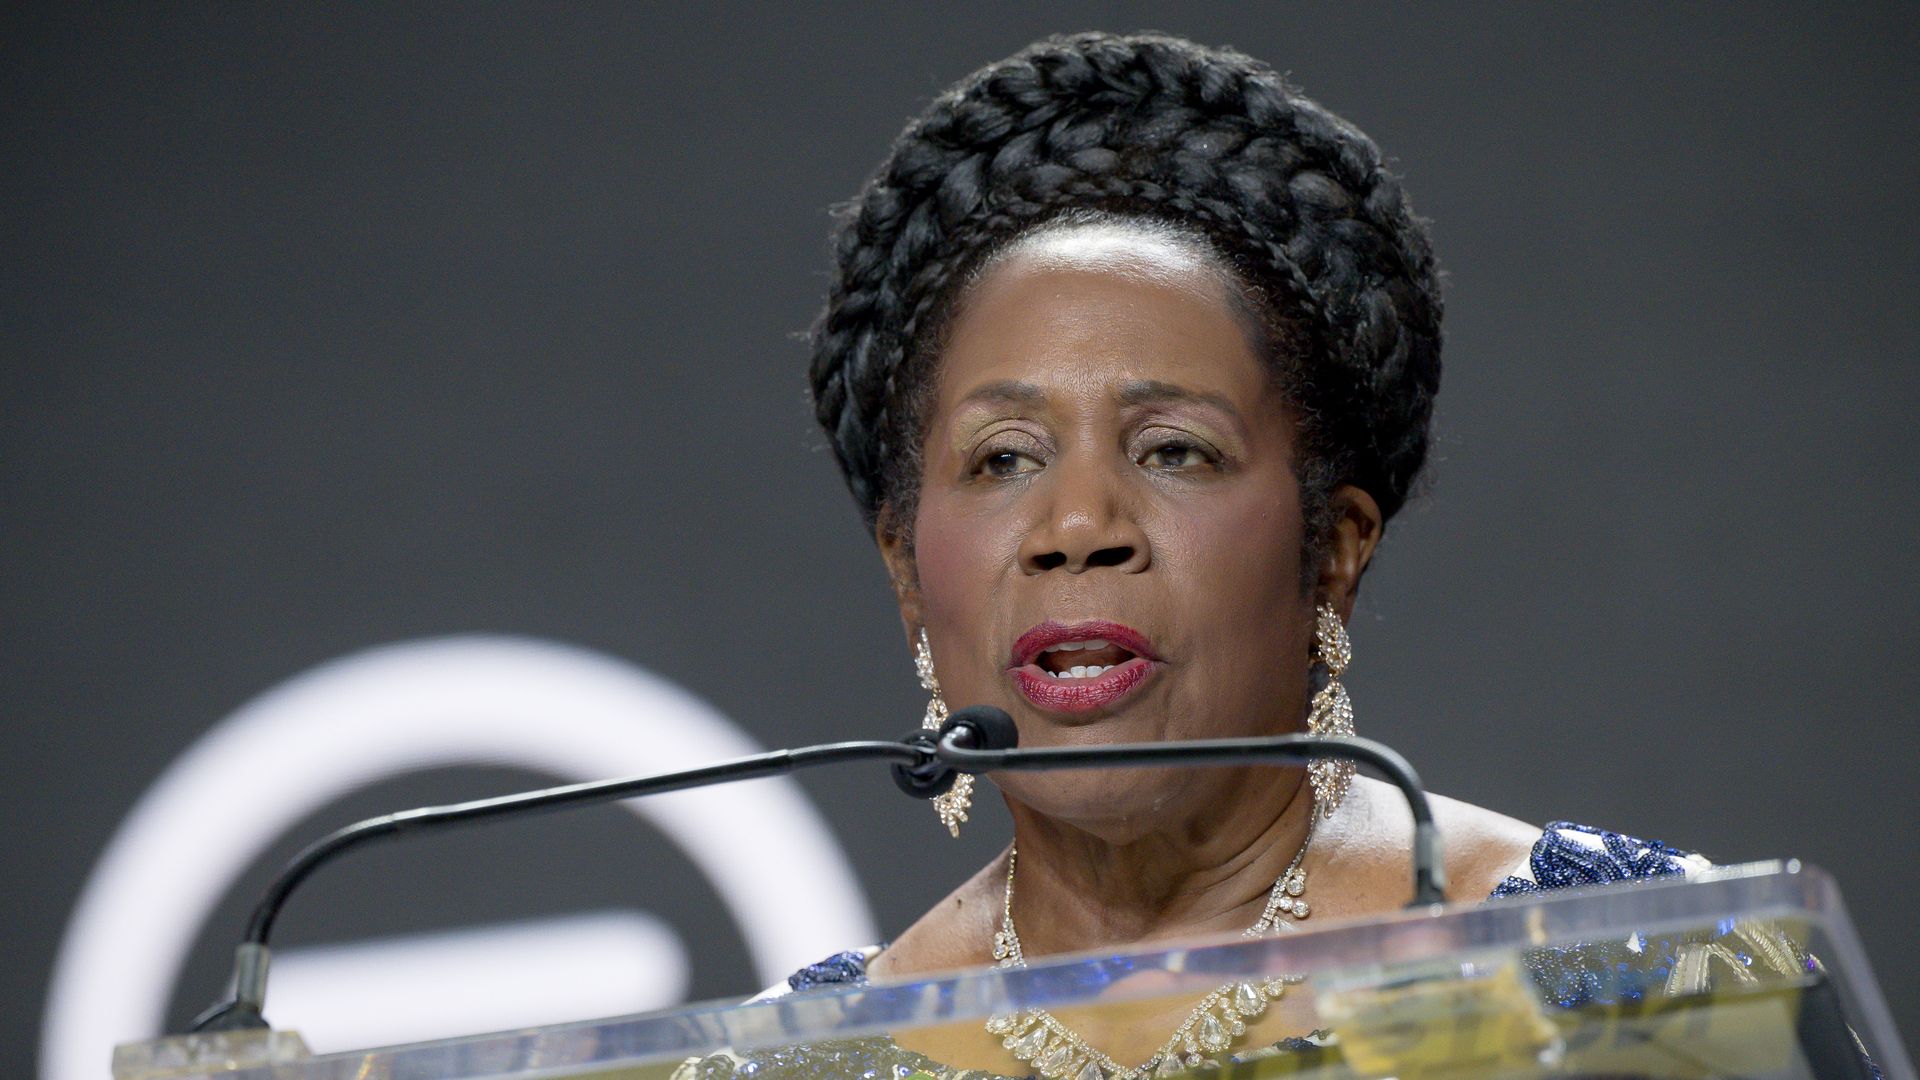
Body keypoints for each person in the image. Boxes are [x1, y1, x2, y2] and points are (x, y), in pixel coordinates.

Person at [678, 31, 1751, 1080]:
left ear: (1333, 549)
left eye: (1174, 451)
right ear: (908, 571)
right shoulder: (802, 1062)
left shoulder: (1629, 966)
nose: (1077, 527)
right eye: (1004, 460)